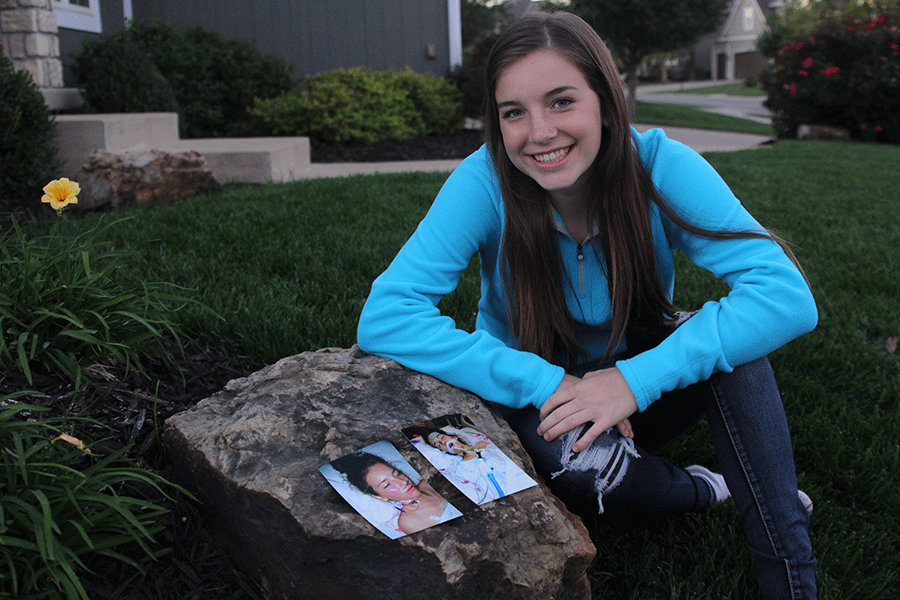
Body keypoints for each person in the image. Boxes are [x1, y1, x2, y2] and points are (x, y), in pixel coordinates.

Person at [357, 10, 817, 599]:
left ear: (604, 98)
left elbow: (786, 297)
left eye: (561, 102)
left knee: (739, 349)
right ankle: (705, 488)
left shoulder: (659, 165)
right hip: (542, 398)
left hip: (643, 379)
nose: (539, 132)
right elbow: (388, 315)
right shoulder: (484, 181)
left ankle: (791, 583)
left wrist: (635, 379)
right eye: (513, 112)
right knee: (582, 470)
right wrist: (542, 382)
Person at [331, 451, 461, 535]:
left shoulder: (430, 481)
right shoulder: (410, 522)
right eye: (387, 485)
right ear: (379, 497)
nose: (401, 482)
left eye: (397, 473)